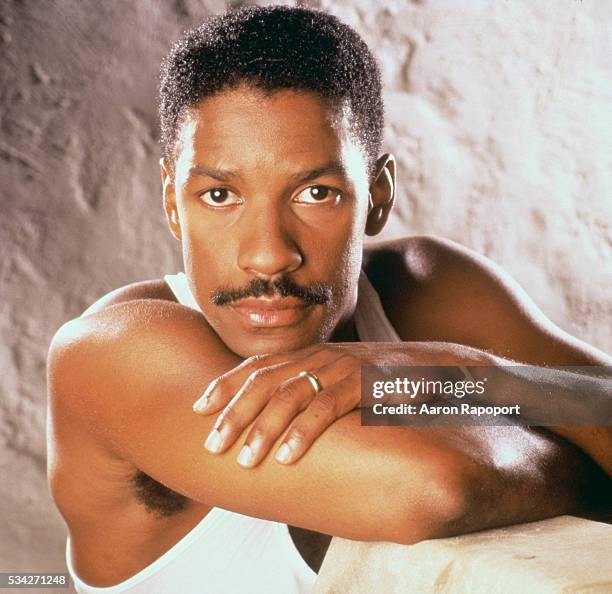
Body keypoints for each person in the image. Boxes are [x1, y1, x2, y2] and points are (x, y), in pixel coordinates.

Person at [46, 5, 611, 594]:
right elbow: (429, 491)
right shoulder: (112, 352)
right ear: (171, 202)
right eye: (219, 195)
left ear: (378, 195)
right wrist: (583, 447)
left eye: (316, 192)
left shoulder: (428, 285)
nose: (267, 256)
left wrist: (461, 376)